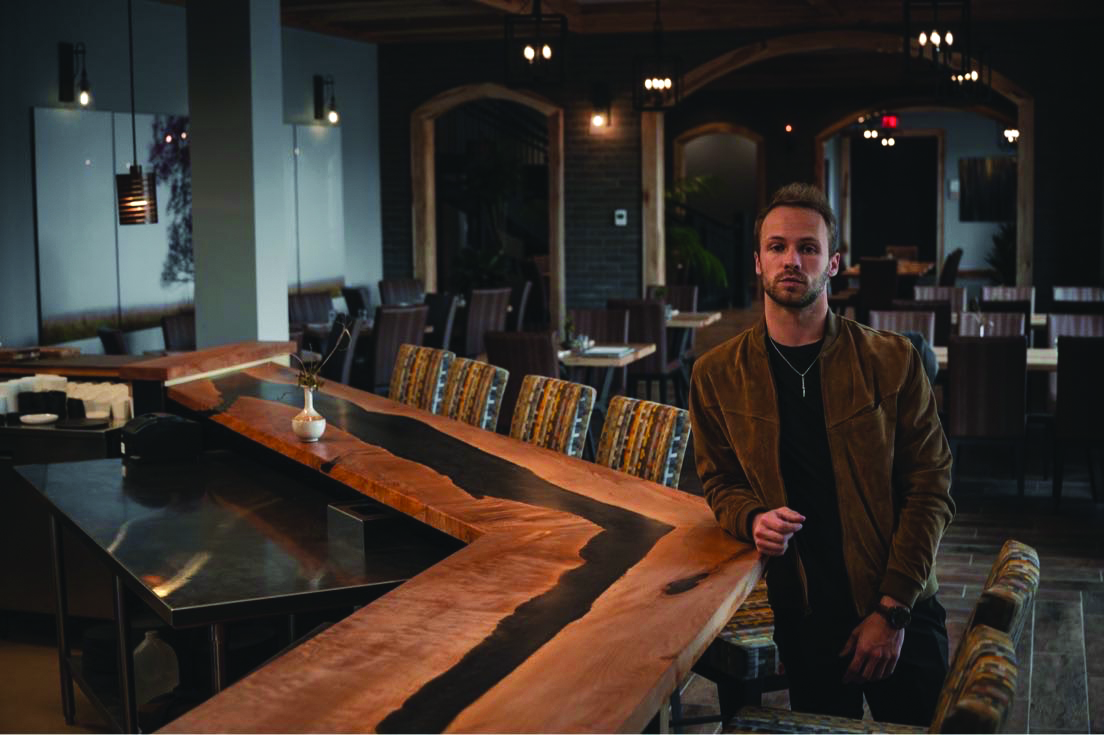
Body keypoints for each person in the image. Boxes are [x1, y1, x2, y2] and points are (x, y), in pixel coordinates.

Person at [689, 183, 954, 726]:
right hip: (804, 614)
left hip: (900, 604)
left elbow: (930, 489)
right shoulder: (716, 374)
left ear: (832, 263)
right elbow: (717, 482)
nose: (792, 260)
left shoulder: (891, 360)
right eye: (778, 246)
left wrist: (892, 611)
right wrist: (751, 517)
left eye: (808, 247)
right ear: (758, 262)